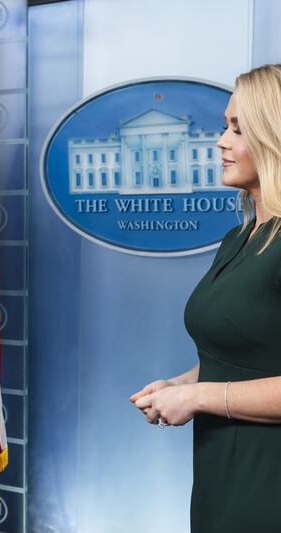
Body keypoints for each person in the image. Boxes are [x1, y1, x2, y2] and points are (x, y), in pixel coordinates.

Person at [130, 64, 281, 532]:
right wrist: (182, 384)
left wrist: (200, 397)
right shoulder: (238, 238)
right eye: (224, 125)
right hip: (220, 474)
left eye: (238, 129)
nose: (221, 140)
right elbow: (247, 349)